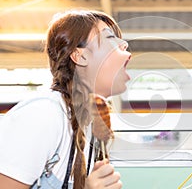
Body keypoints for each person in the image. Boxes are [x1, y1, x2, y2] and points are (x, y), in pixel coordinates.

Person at [0, 10, 131, 189]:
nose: (124, 46)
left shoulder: (89, 127)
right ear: (80, 56)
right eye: (110, 39)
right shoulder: (44, 114)